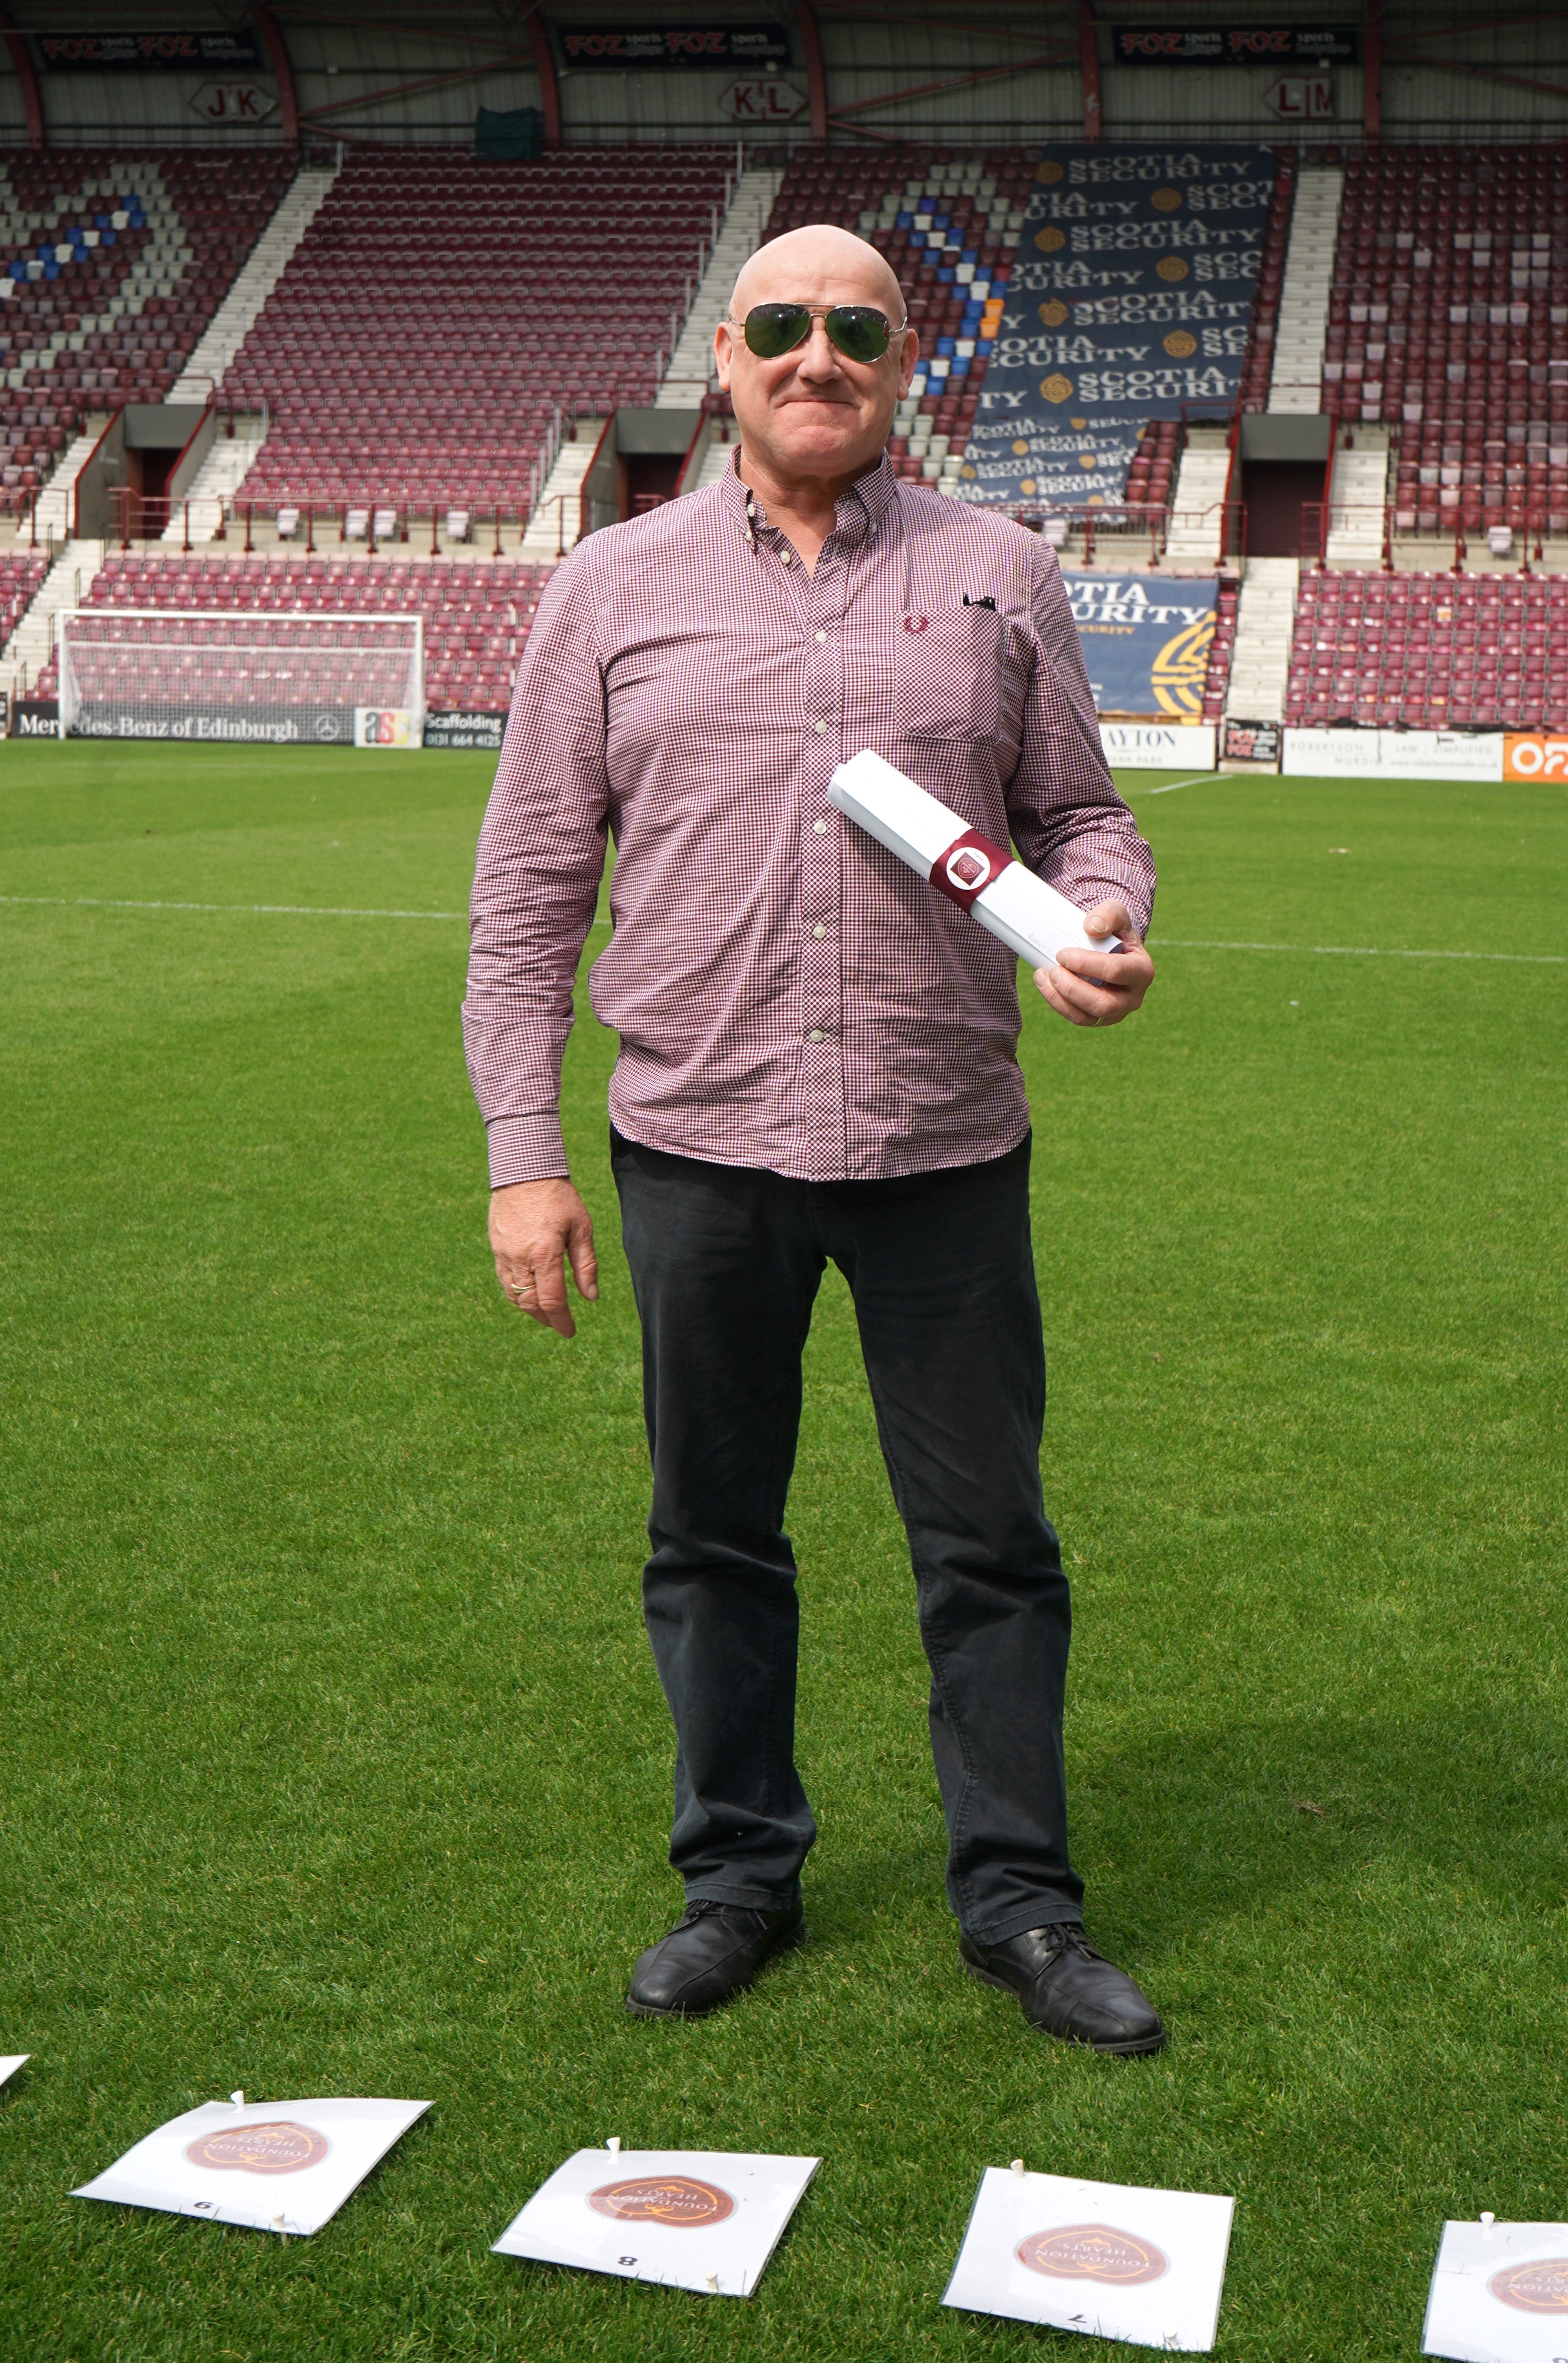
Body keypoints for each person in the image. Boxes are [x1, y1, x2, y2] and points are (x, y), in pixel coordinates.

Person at [463, 224, 1164, 2054]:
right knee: (711, 1535)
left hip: (944, 1145)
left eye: (855, 327)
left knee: (989, 1542)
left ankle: (1018, 1900)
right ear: (726, 355)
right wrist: (522, 1153)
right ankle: (737, 1878)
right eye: (780, 324)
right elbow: (528, 895)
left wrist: (1103, 911)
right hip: (696, 1144)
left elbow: (1083, 817)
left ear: (901, 357)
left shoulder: (1001, 569)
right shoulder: (609, 585)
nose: (815, 355)